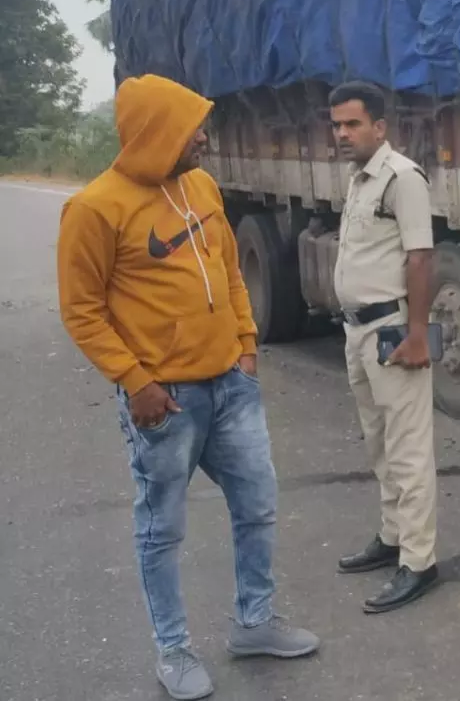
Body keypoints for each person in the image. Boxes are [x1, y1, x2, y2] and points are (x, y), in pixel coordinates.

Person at [56, 74, 319, 701]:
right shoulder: (95, 208)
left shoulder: (200, 186)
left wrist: (248, 347)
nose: (203, 136)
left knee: (257, 504)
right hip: (165, 402)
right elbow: (81, 310)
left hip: (231, 384)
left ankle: (254, 623)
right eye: (190, 126)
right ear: (156, 134)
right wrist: (136, 381)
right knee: (161, 529)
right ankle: (173, 650)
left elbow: (229, 269)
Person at [326, 80, 442, 613]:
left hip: (392, 330)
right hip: (357, 331)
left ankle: (418, 562)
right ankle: (393, 536)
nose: (342, 134)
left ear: (380, 127)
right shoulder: (358, 180)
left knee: (408, 449)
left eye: (352, 124)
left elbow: (421, 258)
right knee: (378, 442)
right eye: (336, 125)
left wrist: (418, 335)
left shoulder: (402, 178)